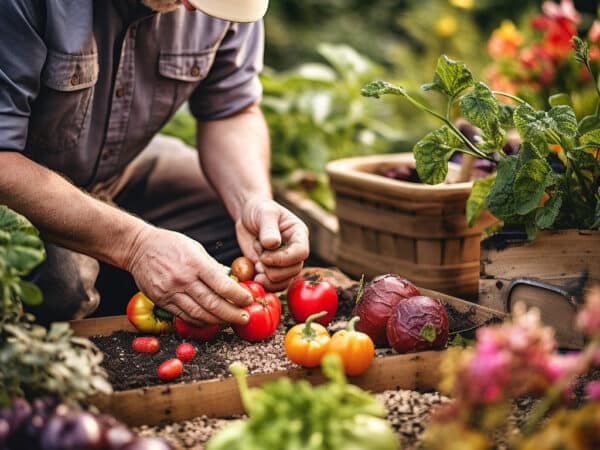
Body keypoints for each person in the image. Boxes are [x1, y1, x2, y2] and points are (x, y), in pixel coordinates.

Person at [0, 0, 309, 326]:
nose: (194, 9)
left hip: (118, 167)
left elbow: (231, 108)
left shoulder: (220, 7)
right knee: (63, 284)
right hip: (15, 187)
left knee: (233, 228)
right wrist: (135, 245)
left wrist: (250, 199)